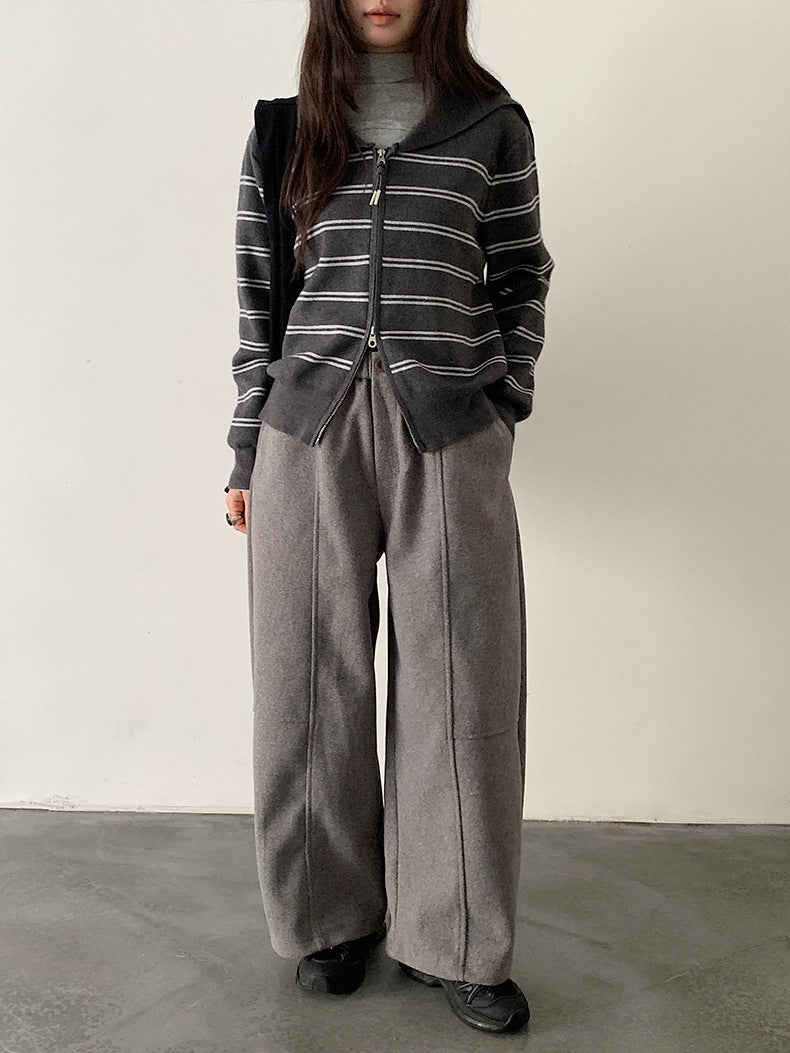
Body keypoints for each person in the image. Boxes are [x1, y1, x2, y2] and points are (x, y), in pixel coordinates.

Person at [224, 0, 554, 1036]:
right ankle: (329, 920)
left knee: (463, 682)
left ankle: (456, 937)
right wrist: (245, 447)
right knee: (305, 682)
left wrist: (500, 401)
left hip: (447, 432)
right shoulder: (285, 127)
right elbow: (259, 301)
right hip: (306, 433)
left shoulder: (491, 124)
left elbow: (521, 272)